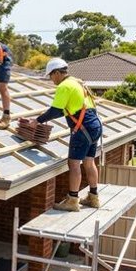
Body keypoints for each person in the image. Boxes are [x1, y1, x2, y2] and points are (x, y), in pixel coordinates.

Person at [30, 58, 102, 212]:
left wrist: (37, 121)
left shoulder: (64, 86)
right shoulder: (77, 82)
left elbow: (55, 110)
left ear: (57, 73)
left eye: (51, 75)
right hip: (94, 125)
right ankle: (93, 197)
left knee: (74, 163)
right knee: (89, 162)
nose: (51, 79)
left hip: (83, 128)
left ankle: (72, 200)